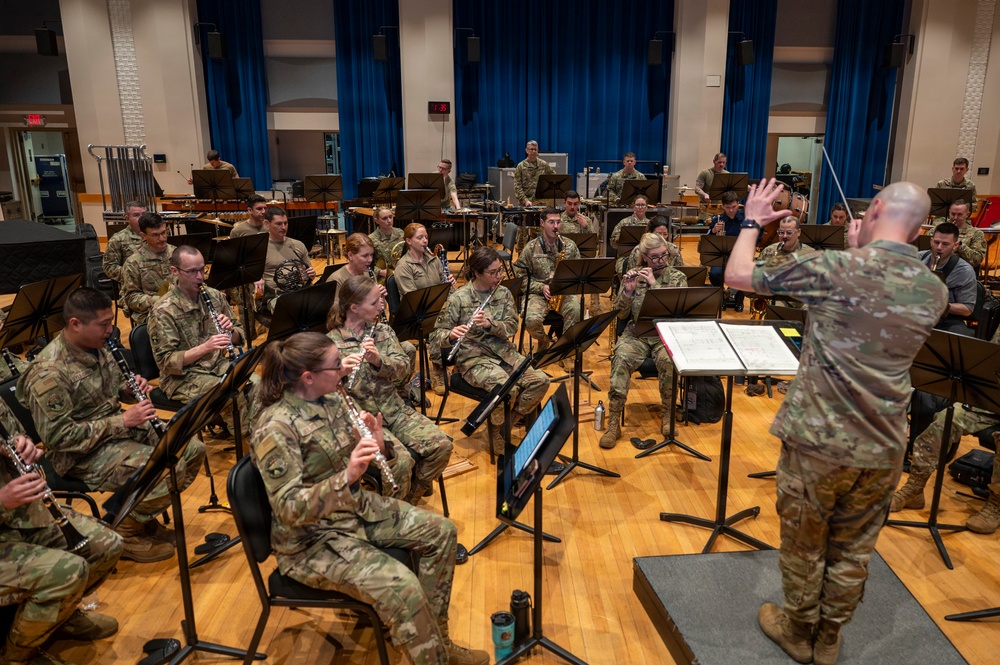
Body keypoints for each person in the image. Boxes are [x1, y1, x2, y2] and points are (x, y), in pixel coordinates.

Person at [725, 179, 947, 665]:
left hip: (819, 443)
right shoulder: (934, 288)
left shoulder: (836, 269)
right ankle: (830, 639)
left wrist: (750, 222)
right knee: (853, 549)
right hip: (885, 443)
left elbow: (739, 276)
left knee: (806, 542)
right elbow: (875, 300)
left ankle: (798, 631)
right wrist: (858, 246)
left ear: (879, 209)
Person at [250, 332, 489, 665]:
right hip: (311, 541)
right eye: (336, 366)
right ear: (308, 377)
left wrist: (380, 446)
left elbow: (361, 458)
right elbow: (288, 508)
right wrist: (347, 476)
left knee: (442, 532)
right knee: (403, 586)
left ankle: (437, 643)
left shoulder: (332, 399)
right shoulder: (275, 427)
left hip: (353, 509)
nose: (344, 370)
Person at [18, 288, 207, 563]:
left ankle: (137, 518)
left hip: (117, 434)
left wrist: (130, 391)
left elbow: (114, 387)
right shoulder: (49, 373)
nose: (111, 329)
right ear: (75, 324)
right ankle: (126, 531)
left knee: (192, 450)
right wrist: (122, 420)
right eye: (104, 324)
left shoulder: (98, 344)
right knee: (168, 467)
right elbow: (59, 437)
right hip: (79, 455)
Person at [0, 401, 123, 665]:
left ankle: (58, 617)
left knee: (107, 545)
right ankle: (15, 657)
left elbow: (15, 434)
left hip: (17, 515)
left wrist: (24, 445)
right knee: (66, 572)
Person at [328, 275, 451, 503]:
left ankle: (408, 501)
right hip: (363, 421)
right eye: (374, 303)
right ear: (354, 308)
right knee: (402, 462)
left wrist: (379, 361)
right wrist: (339, 374)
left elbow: (405, 371)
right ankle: (394, 515)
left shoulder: (382, 332)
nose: (381, 306)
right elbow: (323, 397)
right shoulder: (330, 344)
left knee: (442, 445)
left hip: (395, 410)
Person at [889, 324, 1000, 534]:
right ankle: (915, 488)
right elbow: (991, 362)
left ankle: (996, 503)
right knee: (946, 418)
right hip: (992, 402)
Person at [433, 247, 550, 444]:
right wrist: (451, 334)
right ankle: (495, 433)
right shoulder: (458, 299)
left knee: (541, 381)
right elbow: (436, 334)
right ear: (477, 273)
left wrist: (491, 325)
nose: (499, 276)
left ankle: (507, 423)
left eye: (500, 271)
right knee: (506, 389)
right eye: (493, 272)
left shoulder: (503, 293)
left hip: (505, 354)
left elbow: (512, 327)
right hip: (473, 359)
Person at [147, 246, 254, 438]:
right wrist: (205, 347)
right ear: (175, 272)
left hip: (217, 365)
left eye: (202, 269)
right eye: (192, 272)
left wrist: (231, 332)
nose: (200, 277)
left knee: (260, 385)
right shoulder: (163, 310)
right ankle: (248, 448)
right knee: (230, 395)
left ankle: (264, 436)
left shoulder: (213, 296)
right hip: (181, 377)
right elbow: (165, 362)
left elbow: (240, 334)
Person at [599, 233, 687, 450]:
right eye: (655, 257)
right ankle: (613, 423)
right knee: (620, 358)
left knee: (669, 361)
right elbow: (620, 315)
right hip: (637, 333)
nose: (661, 261)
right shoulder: (634, 277)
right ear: (644, 258)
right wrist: (627, 292)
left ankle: (668, 416)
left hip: (663, 334)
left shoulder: (676, 277)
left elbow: (675, 312)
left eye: (663, 255)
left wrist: (653, 284)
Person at [393, 223, 456, 395]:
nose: (424, 240)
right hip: (416, 313)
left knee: (464, 315)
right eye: (419, 238)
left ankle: (461, 362)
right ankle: (437, 368)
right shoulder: (404, 266)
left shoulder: (433, 260)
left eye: (426, 237)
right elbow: (412, 298)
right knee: (438, 325)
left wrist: (450, 285)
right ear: (408, 241)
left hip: (437, 307)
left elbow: (446, 290)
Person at [514, 208, 581, 364]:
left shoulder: (569, 246)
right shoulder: (530, 248)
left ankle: (564, 351)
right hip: (538, 294)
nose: (556, 226)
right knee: (530, 320)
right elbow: (520, 278)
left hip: (563, 293)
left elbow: (578, 272)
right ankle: (543, 340)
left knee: (576, 310)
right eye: (551, 222)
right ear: (542, 223)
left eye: (558, 222)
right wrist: (540, 287)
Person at [919, 222, 977, 336]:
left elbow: (967, 309)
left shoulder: (964, 271)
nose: (939, 248)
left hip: (946, 319)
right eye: (936, 242)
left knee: (959, 335)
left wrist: (942, 305)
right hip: (915, 312)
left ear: (955, 246)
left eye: (945, 244)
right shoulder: (917, 258)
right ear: (931, 241)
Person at [258, 206, 315, 316]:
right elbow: (251, 275)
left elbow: (310, 272)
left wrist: (311, 273)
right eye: (278, 224)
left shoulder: (298, 245)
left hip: (301, 291)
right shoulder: (260, 247)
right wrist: (257, 279)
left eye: (285, 223)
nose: (283, 227)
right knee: (290, 313)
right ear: (267, 223)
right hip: (276, 295)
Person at [119, 211, 173, 325]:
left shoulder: (177, 254)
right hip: (150, 313)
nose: (162, 238)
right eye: (155, 235)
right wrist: (158, 300)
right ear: (143, 235)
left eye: (164, 232)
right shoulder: (133, 263)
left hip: (178, 307)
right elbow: (130, 298)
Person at [706, 191, 746, 311]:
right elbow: (707, 240)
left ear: (738, 204)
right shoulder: (717, 219)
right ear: (723, 206)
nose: (731, 210)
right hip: (722, 256)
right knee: (714, 273)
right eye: (727, 207)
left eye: (734, 207)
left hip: (740, 257)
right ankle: (722, 297)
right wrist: (713, 231)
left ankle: (738, 300)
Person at [931, 199, 986, 269]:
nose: (955, 218)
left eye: (959, 214)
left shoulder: (977, 234)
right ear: (949, 212)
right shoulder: (937, 230)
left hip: (960, 271)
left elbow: (976, 260)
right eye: (953, 214)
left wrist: (961, 246)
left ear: (967, 214)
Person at [102, 200, 147, 283]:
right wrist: (132, 274)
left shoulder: (154, 234)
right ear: (127, 218)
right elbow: (108, 267)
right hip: (132, 285)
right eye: (136, 215)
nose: (141, 218)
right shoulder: (118, 239)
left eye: (144, 214)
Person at [513, 140, 554, 206]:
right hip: (526, 203)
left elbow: (554, 177)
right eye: (532, 149)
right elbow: (517, 187)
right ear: (527, 150)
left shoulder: (543, 164)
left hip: (541, 202)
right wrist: (525, 200)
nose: (534, 151)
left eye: (535, 149)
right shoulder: (520, 166)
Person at [368, 206, 404, 280]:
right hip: (383, 277)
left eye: (391, 217)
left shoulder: (400, 233)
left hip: (402, 272)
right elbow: (366, 265)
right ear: (377, 221)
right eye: (384, 218)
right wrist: (380, 272)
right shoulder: (371, 239)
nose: (389, 220)